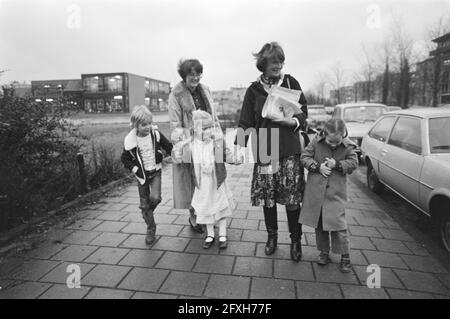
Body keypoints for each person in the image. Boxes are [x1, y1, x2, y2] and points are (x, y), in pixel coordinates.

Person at [235, 42, 308, 262]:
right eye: (273, 62)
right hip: (266, 149)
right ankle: (272, 238)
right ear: (263, 64)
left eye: (280, 61)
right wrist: (239, 148)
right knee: (268, 198)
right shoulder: (253, 90)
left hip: (288, 148)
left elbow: (304, 112)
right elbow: (245, 121)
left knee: (292, 197)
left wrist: (293, 120)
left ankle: (296, 241)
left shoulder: (290, 82)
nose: (278, 65)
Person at [173, 110, 239, 249]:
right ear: (195, 130)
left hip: (217, 182)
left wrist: (235, 160)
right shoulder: (191, 145)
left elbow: (226, 155)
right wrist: (178, 152)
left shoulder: (218, 142)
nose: (208, 131)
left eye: (210, 127)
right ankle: (210, 234)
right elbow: (180, 158)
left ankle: (222, 233)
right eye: (204, 128)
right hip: (202, 184)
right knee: (206, 208)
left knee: (220, 207)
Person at [299, 118, 358, 273]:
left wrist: (337, 165)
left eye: (337, 141)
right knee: (320, 226)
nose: (333, 144)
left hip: (336, 194)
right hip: (317, 193)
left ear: (343, 135)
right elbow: (304, 157)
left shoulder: (347, 146)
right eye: (330, 141)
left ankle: (345, 256)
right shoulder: (315, 142)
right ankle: (324, 251)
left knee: (339, 226)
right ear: (324, 133)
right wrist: (318, 167)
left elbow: (353, 163)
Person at [168, 59, 219, 233]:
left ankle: (207, 213)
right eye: (191, 74)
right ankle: (194, 216)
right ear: (184, 76)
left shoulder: (206, 90)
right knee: (192, 180)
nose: (195, 77)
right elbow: (175, 124)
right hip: (190, 143)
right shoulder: (176, 94)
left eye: (198, 73)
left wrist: (217, 137)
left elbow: (214, 117)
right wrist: (185, 141)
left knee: (208, 179)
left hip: (208, 141)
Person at [121, 105, 173, 246]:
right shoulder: (130, 141)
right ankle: (151, 228)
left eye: (149, 123)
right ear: (135, 125)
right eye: (144, 124)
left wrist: (166, 154)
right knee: (145, 202)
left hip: (155, 172)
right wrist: (135, 169)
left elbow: (168, 146)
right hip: (142, 176)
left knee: (155, 198)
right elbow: (124, 159)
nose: (148, 127)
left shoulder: (155, 134)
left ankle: (146, 211)